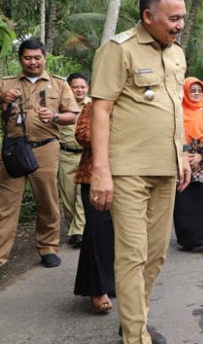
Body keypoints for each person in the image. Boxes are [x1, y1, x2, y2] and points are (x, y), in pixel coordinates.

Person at [90, 0, 191, 344]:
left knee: (156, 256)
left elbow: (174, 107)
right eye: (173, 18)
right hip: (128, 169)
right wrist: (101, 170)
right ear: (148, 16)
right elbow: (101, 109)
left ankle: (135, 319)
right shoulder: (118, 50)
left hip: (166, 168)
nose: (179, 25)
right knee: (132, 256)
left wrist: (181, 155)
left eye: (182, 18)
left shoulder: (177, 54)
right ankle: (135, 336)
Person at [0, 38, 79, 282]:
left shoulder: (59, 84)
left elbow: (73, 115)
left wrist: (56, 116)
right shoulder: (5, 83)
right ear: (20, 59)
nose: (33, 62)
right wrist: (0, 99)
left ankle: (48, 248)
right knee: (3, 207)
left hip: (46, 149)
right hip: (12, 150)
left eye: (37, 57)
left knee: (48, 202)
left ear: (44, 58)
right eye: (27, 58)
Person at [73, 101, 116, 314]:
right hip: (93, 178)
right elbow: (81, 134)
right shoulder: (93, 106)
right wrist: (108, 133)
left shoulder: (135, 104)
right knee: (98, 232)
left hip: (126, 177)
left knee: (117, 234)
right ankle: (99, 290)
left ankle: (111, 282)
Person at [174, 78, 203, 255]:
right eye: (192, 90)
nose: (195, 94)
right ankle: (189, 239)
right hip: (181, 160)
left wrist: (202, 155)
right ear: (185, 91)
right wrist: (185, 155)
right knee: (184, 201)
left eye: (198, 90)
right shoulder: (177, 111)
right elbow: (171, 133)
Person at [57, 73, 90, 249]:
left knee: (81, 195)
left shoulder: (93, 105)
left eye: (82, 87)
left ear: (88, 88)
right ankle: (74, 229)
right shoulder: (61, 106)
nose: (79, 90)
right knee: (68, 195)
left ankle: (79, 231)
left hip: (86, 154)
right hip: (66, 155)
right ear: (69, 89)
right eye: (75, 87)